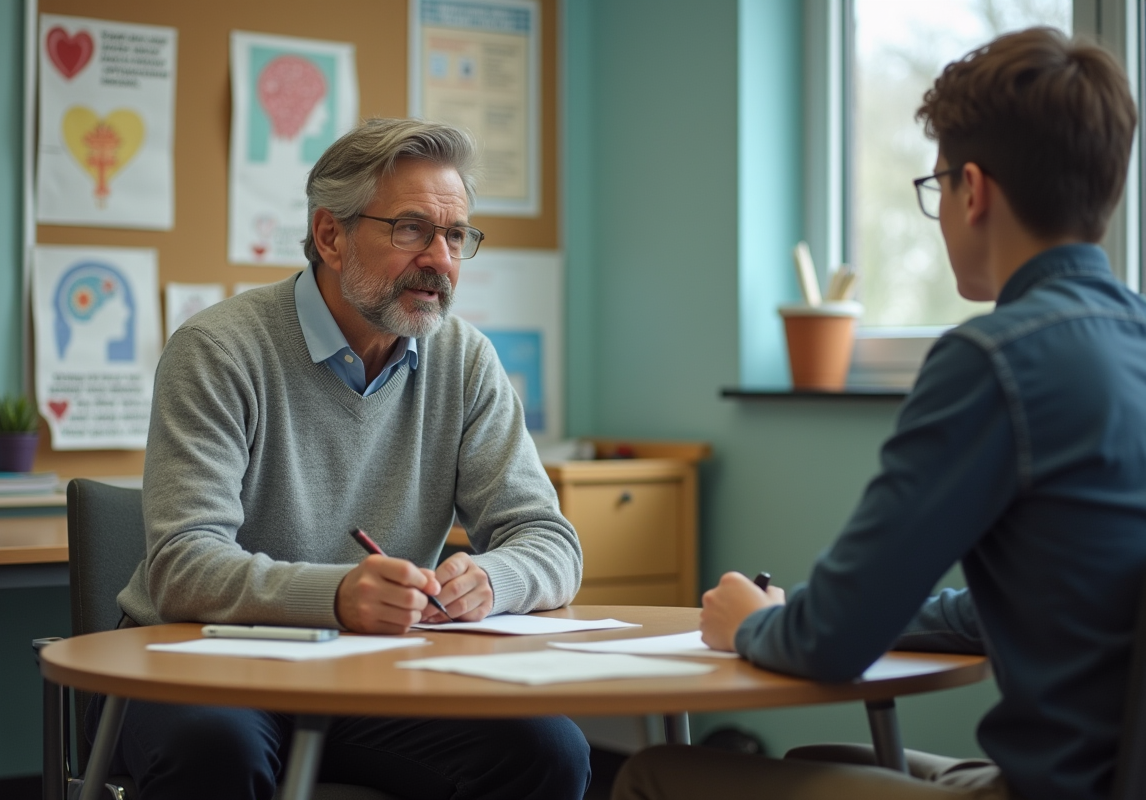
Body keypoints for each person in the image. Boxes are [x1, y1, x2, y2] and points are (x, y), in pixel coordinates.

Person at [614, 27, 1145, 800]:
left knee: (654, 773)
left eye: (935, 190)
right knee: (815, 760)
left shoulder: (993, 360)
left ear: (974, 190)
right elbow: (1046, 596)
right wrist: (806, 608)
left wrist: (751, 626)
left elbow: (831, 647)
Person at [107, 117, 590, 799]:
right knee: (215, 750)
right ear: (331, 235)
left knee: (547, 749)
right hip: (203, 662)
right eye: (412, 229)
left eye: (455, 236)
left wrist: (491, 580)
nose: (441, 260)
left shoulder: (465, 360)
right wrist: (335, 596)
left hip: (369, 668)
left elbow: (549, 541)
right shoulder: (219, 349)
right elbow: (184, 567)